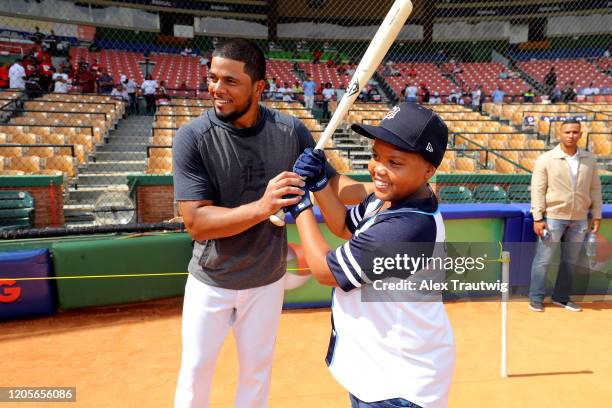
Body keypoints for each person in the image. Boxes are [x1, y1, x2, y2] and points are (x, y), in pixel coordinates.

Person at [172, 38, 368, 408]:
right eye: (213, 78)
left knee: (256, 374)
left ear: (259, 87)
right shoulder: (192, 138)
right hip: (211, 279)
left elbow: (336, 184)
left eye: (230, 81)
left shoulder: (290, 131)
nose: (217, 89)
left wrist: (383, 190)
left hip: (266, 280)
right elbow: (197, 222)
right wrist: (264, 206)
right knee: (196, 373)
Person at [290, 102, 455, 408]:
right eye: (376, 155)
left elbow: (327, 272)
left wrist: (300, 207)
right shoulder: (389, 200)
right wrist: (319, 182)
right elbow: (343, 224)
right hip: (381, 367)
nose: (379, 168)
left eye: (395, 162)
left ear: (429, 170)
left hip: (398, 385)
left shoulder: (408, 228)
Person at [529, 119, 602, 312]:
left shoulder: (589, 159)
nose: (571, 135)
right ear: (559, 135)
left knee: (570, 261)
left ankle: (561, 297)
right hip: (553, 216)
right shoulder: (546, 159)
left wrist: (596, 214)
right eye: (567, 132)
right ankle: (536, 297)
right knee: (543, 259)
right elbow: (537, 190)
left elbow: (595, 188)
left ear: (580, 134)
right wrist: (538, 217)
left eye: (575, 132)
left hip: (579, 218)